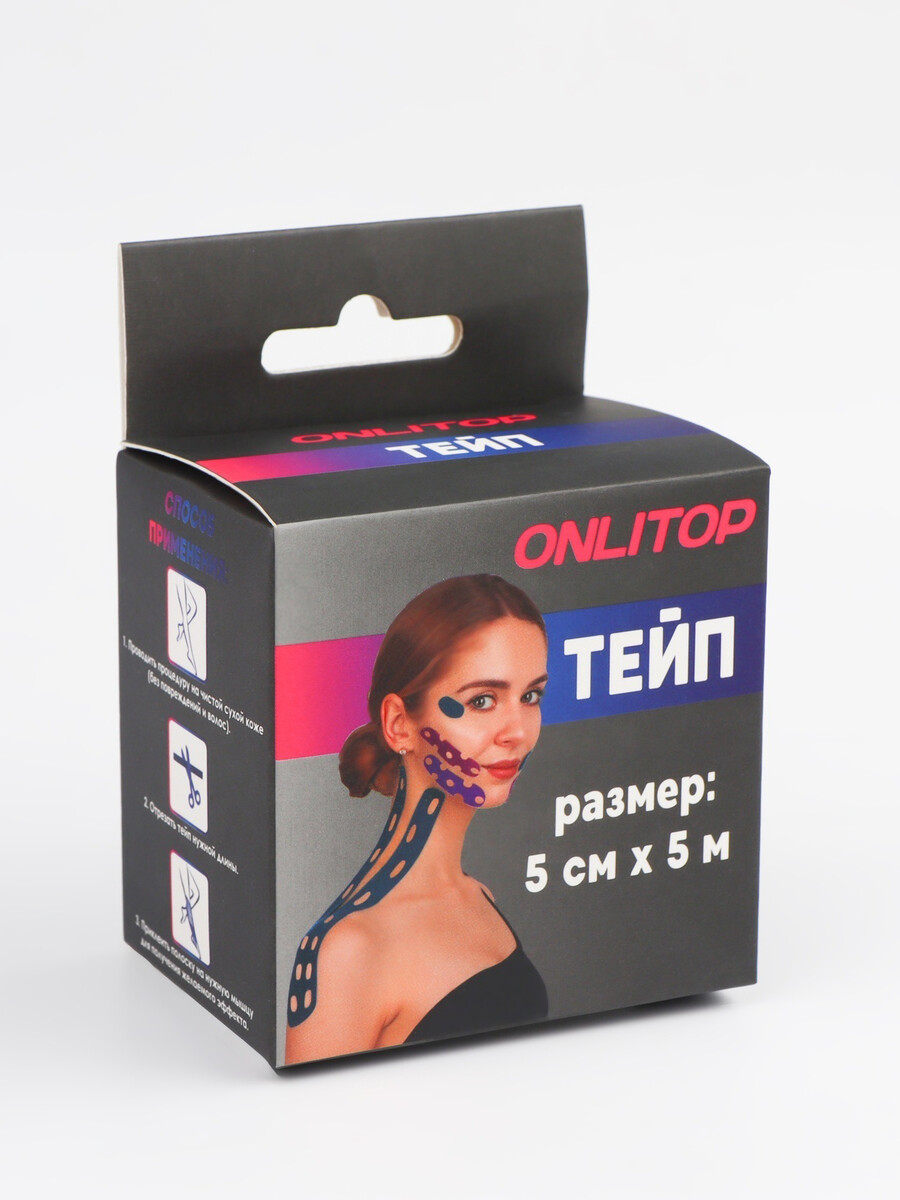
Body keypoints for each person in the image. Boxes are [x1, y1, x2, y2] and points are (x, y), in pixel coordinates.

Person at [284, 574, 549, 1064]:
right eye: (482, 701)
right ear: (399, 724)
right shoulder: (350, 951)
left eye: (530, 697)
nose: (517, 731)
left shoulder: (478, 896)